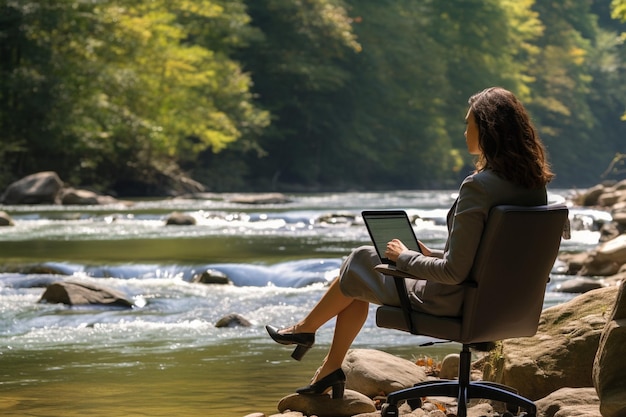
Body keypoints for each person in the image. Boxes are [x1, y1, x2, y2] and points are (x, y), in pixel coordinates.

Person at [265, 86, 555, 400]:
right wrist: (433, 254)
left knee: (362, 259)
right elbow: (492, 256)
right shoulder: (534, 186)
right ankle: (326, 361)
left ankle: (307, 332)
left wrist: (405, 257)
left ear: (487, 131)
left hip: (455, 302)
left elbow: (454, 274)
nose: (464, 131)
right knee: (360, 273)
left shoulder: (479, 187)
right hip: (506, 306)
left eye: (468, 124)